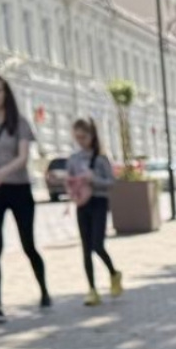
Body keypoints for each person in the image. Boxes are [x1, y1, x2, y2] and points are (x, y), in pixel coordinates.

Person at [0, 73, 49, 323]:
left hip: (18, 188)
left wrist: (0, 174)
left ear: (6, 94)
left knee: (28, 244)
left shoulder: (20, 124)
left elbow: (23, 157)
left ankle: (44, 291)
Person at [66, 118, 123, 307]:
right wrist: (71, 186)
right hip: (82, 204)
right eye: (77, 137)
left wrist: (94, 179)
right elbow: (69, 180)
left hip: (99, 201)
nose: (81, 141)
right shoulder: (74, 159)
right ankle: (92, 289)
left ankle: (114, 274)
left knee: (97, 244)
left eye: (83, 137)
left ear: (92, 136)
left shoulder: (101, 158)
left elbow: (111, 182)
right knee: (85, 248)